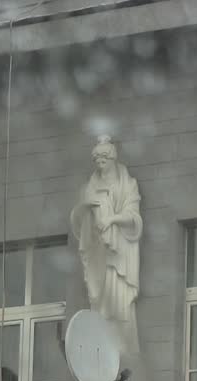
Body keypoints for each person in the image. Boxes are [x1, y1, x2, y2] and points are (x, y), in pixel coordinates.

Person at [70, 135, 143, 355]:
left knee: (119, 300)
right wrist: (86, 210)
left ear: (112, 159)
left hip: (120, 253)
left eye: (104, 160)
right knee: (100, 303)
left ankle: (121, 346)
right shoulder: (89, 188)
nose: (100, 164)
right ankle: (103, 344)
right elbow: (77, 220)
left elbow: (133, 217)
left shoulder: (127, 184)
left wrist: (111, 219)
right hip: (98, 252)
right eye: (97, 161)